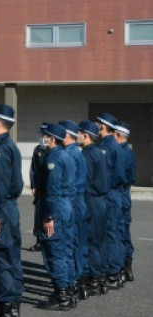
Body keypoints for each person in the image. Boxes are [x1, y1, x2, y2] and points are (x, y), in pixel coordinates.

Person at [0, 103, 24, 317]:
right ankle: (13, 303)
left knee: (1, 258)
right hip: (9, 208)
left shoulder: (0, 148)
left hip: (2, 209)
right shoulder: (9, 145)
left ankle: (7, 307)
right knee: (11, 257)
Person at [35, 123, 76, 310]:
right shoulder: (65, 155)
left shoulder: (54, 158)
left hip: (55, 207)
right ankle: (67, 289)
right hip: (65, 205)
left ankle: (62, 295)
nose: (42, 139)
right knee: (65, 249)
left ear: (51, 138)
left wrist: (48, 215)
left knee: (54, 251)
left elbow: (52, 188)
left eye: (44, 136)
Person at [94, 112, 126, 289]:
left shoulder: (107, 147)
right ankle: (116, 269)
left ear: (103, 126)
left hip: (110, 194)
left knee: (108, 234)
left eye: (97, 124)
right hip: (114, 193)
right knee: (112, 233)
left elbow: (106, 175)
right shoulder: (114, 145)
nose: (95, 127)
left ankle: (112, 272)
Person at [77, 120, 109, 296]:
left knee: (92, 241)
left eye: (80, 133)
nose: (78, 137)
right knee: (100, 241)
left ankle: (94, 280)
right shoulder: (99, 152)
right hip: (101, 200)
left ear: (86, 135)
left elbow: (86, 181)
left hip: (91, 200)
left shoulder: (88, 154)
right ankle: (101, 277)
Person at [59, 119, 88, 300]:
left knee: (73, 242)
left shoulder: (70, 153)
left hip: (73, 200)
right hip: (77, 200)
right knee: (77, 241)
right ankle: (79, 279)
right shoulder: (74, 151)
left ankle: (75, 280)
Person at [113, 121, 136, 282]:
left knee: (118, 231)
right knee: (124, 231)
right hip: (125, 194)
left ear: (118, 135)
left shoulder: (121, 153)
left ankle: (121, 268)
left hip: (119, 193)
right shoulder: (128, 151)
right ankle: (127, 267)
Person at [27, 140, 46, 253]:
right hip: (39, 189)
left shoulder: (56, 149)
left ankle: (47, 241)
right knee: (38, 216)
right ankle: (39, 241)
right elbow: (33, 169)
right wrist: (33, 185)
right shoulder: (38, 149)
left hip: (48, 188)